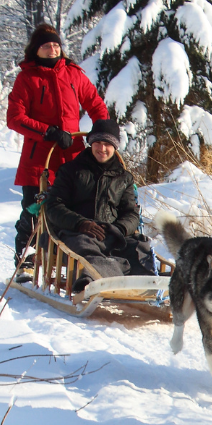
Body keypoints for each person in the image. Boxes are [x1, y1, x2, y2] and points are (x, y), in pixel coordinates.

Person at [6, 23, 108, 268]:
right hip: (39, 157)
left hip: (72, 155)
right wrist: (48, 132)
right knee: (35, 209)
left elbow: (95, 104)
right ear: (36, 50)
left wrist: (102, 132)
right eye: (46, 46)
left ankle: (70, 257)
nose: (52, 49)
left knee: (75, 209)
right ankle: (27, 259)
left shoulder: (73, 74)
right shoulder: (27, 77)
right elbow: (15, 118)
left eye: (55, 45)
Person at [42, 119, 155, 294]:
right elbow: (54, 207)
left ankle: (148, 288)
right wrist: (81, 223)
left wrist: (119, 229)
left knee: (140, 246)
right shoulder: (70, 171)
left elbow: (131, 213)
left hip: (112, 234)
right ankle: (94, 282)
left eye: (107, 144)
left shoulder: (124, 178)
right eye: (98, 143)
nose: (102, 149)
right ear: (91, 143)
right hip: (78, 233)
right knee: (86, 248)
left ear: (115, 147)